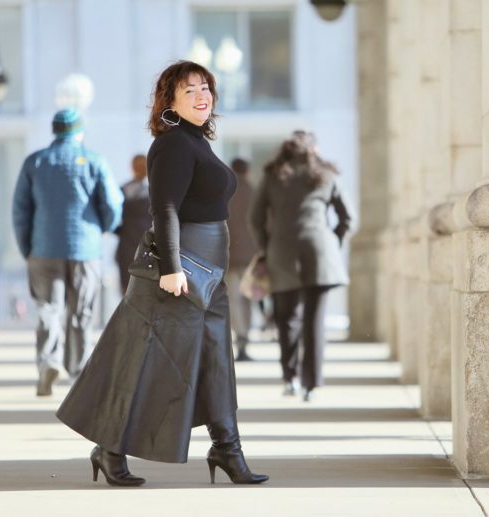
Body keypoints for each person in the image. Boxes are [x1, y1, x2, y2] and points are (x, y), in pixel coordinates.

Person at [56, 61, 268, 488]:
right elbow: (164, 209)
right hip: (183, 271)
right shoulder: (172, 145)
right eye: (189, 90)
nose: (201, 95)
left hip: (210, 274)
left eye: (205, 87)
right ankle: (110, 449)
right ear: (168, 101)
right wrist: (172, 268)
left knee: (215, 362)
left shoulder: (195, 142)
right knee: (150, 363)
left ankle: (227, 449)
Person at [12, 108, 123, 397]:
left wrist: (28, 248)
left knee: (49, 309)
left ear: (55, 131)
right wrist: (102, 228)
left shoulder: (35, 162)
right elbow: (112, 204)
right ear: (79, 131)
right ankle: (80, 373)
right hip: (85, 249)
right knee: (81, 313)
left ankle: (49, 363)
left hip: (43, 248)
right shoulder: (94, 161)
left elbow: (20, 211)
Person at [249, 131, 354, 402]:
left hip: (281, 252)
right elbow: (347, 217)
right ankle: (312, 383)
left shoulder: (273, 176)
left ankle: (290, 378)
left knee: (287, 320)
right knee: (314, 321)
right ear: (313, 149)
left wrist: (265, 245)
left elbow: (255, 217)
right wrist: (334, 240)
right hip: (320, 252)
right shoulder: (325, 174)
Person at [226, 157, 257, 361]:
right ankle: (245, 339)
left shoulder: (225, 191)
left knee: (233, 299)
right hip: (251, 255)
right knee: (248, 298)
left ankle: (240, 338)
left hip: (228, 253)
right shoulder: (255, 192)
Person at [115, 154, 151, 293]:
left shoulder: (122, 191)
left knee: (127, 294)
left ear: (132, 168)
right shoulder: (156, 191)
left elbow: (112, 217)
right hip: (150, 249)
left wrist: (119, 231)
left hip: (127, 248)